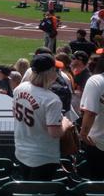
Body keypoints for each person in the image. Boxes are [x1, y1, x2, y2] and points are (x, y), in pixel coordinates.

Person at [13, 53, 74, 181]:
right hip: (43, 157)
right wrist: (65, 124)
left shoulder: (19, 88)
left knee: (26, 193)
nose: (58, 73)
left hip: (21, 151)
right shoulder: (52, 100)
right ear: (49, 72)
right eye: (56, 69)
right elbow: (54, 132)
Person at [80, 53, 104, 180]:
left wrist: (83, 134)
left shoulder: (96, 81)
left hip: (98, 143)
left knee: (98, 186)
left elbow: (90, 112)